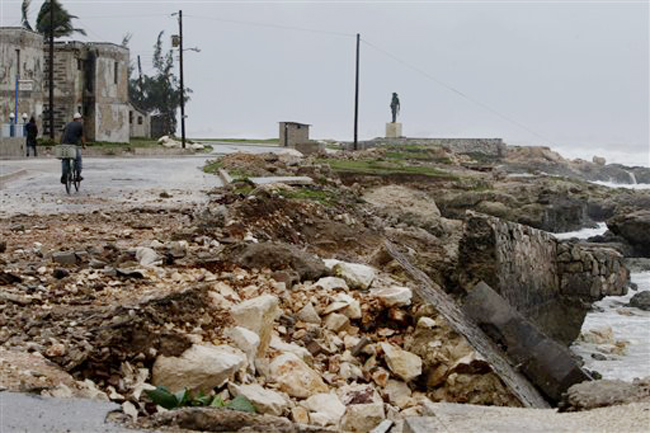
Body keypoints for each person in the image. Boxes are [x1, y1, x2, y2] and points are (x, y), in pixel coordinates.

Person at [60, 112, 86, 183]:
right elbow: (82, 137)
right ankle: (78, 175)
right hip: (73, 145)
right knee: (78, 159)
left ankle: (64, 176)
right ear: (79, 119)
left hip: (64, 144)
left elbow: (63, 134)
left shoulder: (68, 125)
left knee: (65, 159)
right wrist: (83, 145)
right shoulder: (80, 125)